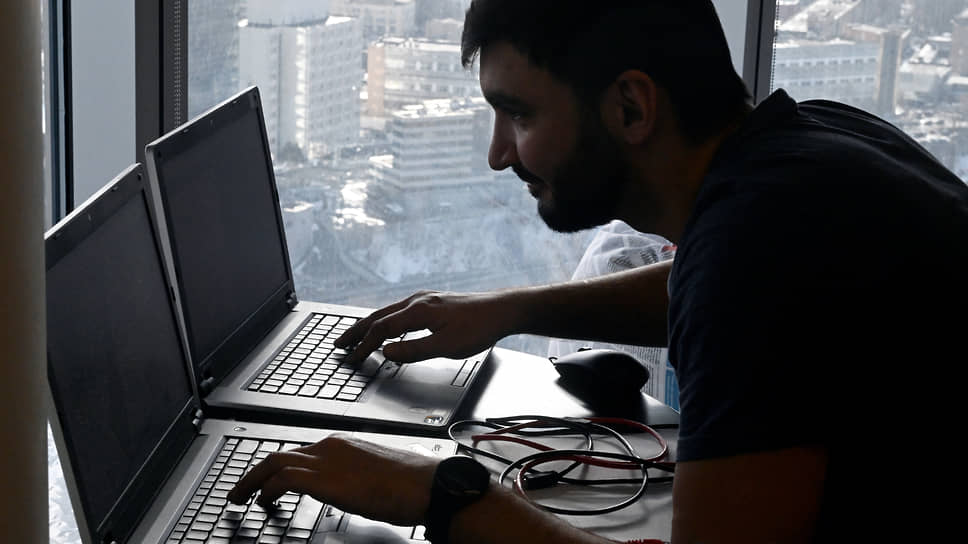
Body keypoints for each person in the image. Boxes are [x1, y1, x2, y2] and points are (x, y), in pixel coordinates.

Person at [229, 1, 968, 542]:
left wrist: (442, 493)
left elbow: (738, 290)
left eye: (519, 115)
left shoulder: (754, 254)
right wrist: (512, 310)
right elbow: (709, 289)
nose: (499, 154)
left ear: (631, 107)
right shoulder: (815, 148)